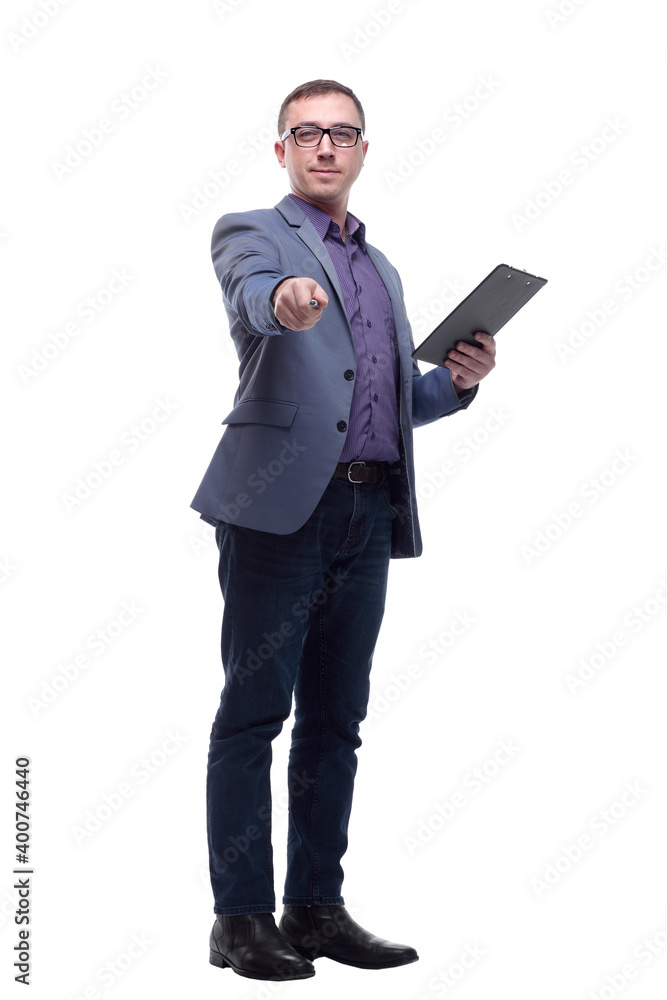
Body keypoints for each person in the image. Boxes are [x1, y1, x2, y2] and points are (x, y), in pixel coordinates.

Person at [190, 79, 496, 982]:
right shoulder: (252, 232)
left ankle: (315, 909)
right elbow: (255, 295)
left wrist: (461, 381)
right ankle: (239, 918)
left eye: (342, 133)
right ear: (281, 150)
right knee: (253, 716)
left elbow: (395, 401)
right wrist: (281, 300)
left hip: (368, 508)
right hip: (279, 509)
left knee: (336, 721)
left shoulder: (381, 268)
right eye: (306, 133)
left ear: (364, 150)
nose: (325, 146)